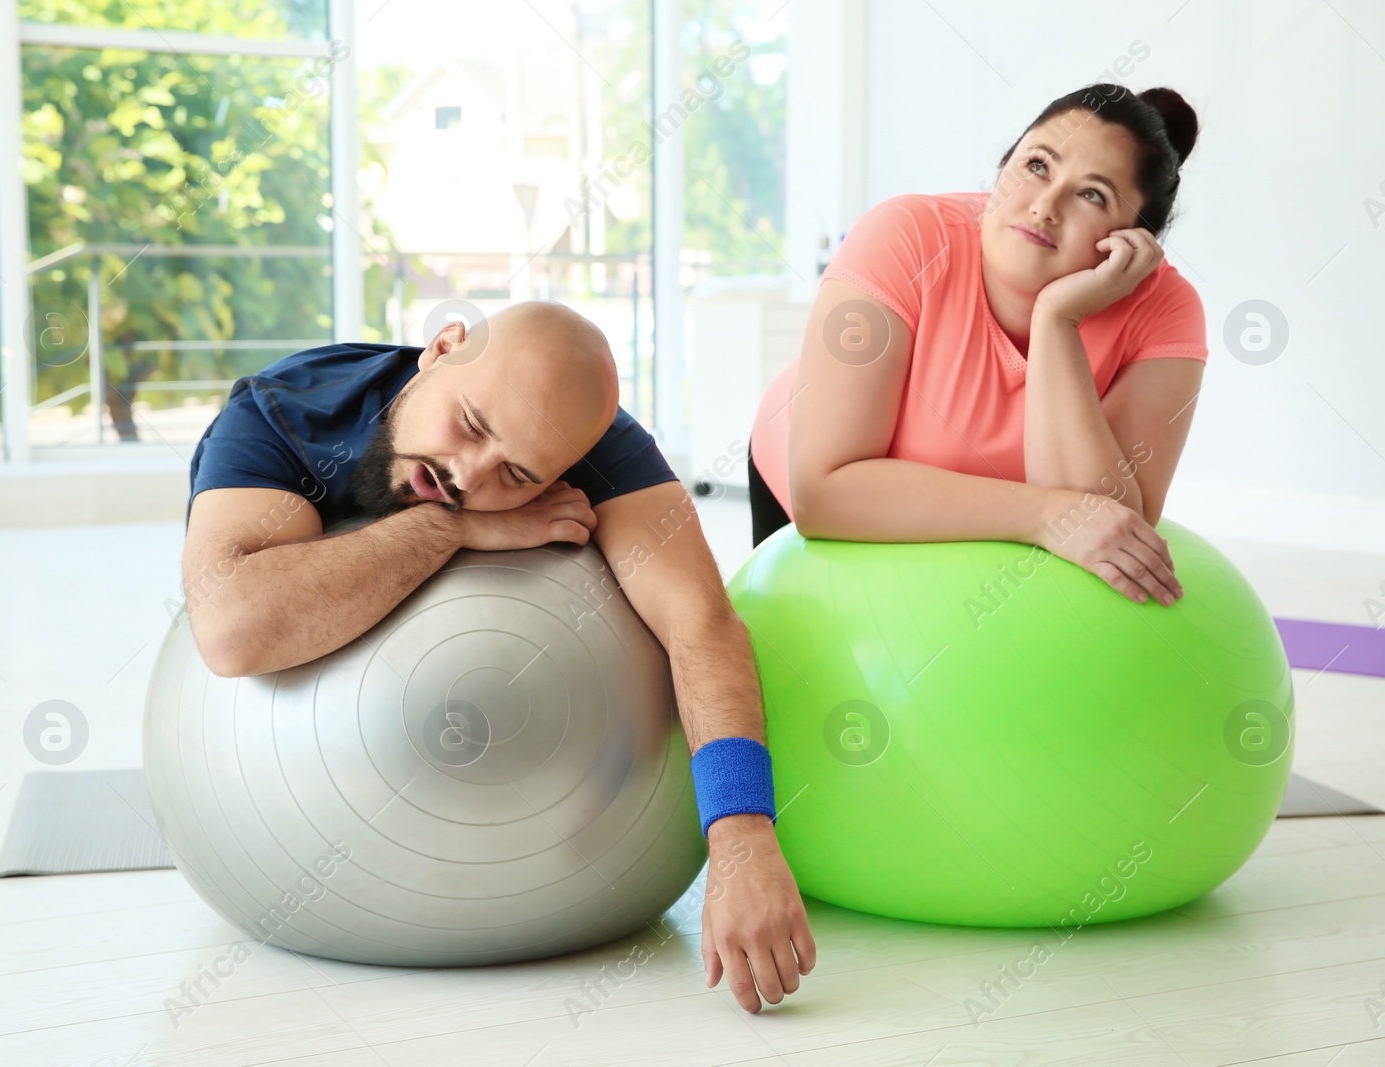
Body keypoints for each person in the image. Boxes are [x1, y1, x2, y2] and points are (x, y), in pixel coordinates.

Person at [181, 301, 814, 1013]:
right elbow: (233, 628)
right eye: (470, 425)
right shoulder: (285, 413)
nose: (468, 476)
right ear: (443, 346)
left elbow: (701, 621)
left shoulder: (588, 441)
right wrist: (451, 530)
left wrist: (742, 838)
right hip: (291, 823)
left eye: (516, 476)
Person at [749, 84, 1206, 608]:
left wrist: (1058, 320)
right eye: (1037, 165)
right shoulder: (904, 235)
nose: (1044, 206)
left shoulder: (1166, 309)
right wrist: (1045, 515)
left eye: (1091, 195)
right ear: (1003, 166)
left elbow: (1105, 526)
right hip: (809, 471)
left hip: (985, 515)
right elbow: (825, 492)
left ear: (1134, 240)